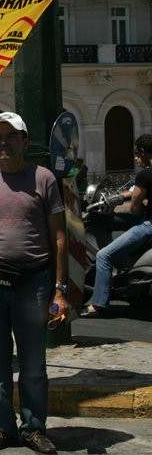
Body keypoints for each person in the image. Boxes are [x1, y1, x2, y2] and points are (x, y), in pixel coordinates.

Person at [0, 112, 68, 455]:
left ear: (24, 141)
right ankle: (2, 427)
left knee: (34, 361)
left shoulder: (44, 179)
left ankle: (34, 428)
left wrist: (59, 290)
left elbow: (60, 237)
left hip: (33, 282)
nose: (2, 143)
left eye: (10, 136)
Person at [81, 135, 152, 318]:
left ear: (144, 152)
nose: (136, 159)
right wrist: (123, 197)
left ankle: (98, 304)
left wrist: (136, 201)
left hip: (148, 224)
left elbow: (135, 209)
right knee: (118, 220)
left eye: (137, 154)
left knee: (104, 255)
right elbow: (132, 194)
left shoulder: (145, 175)